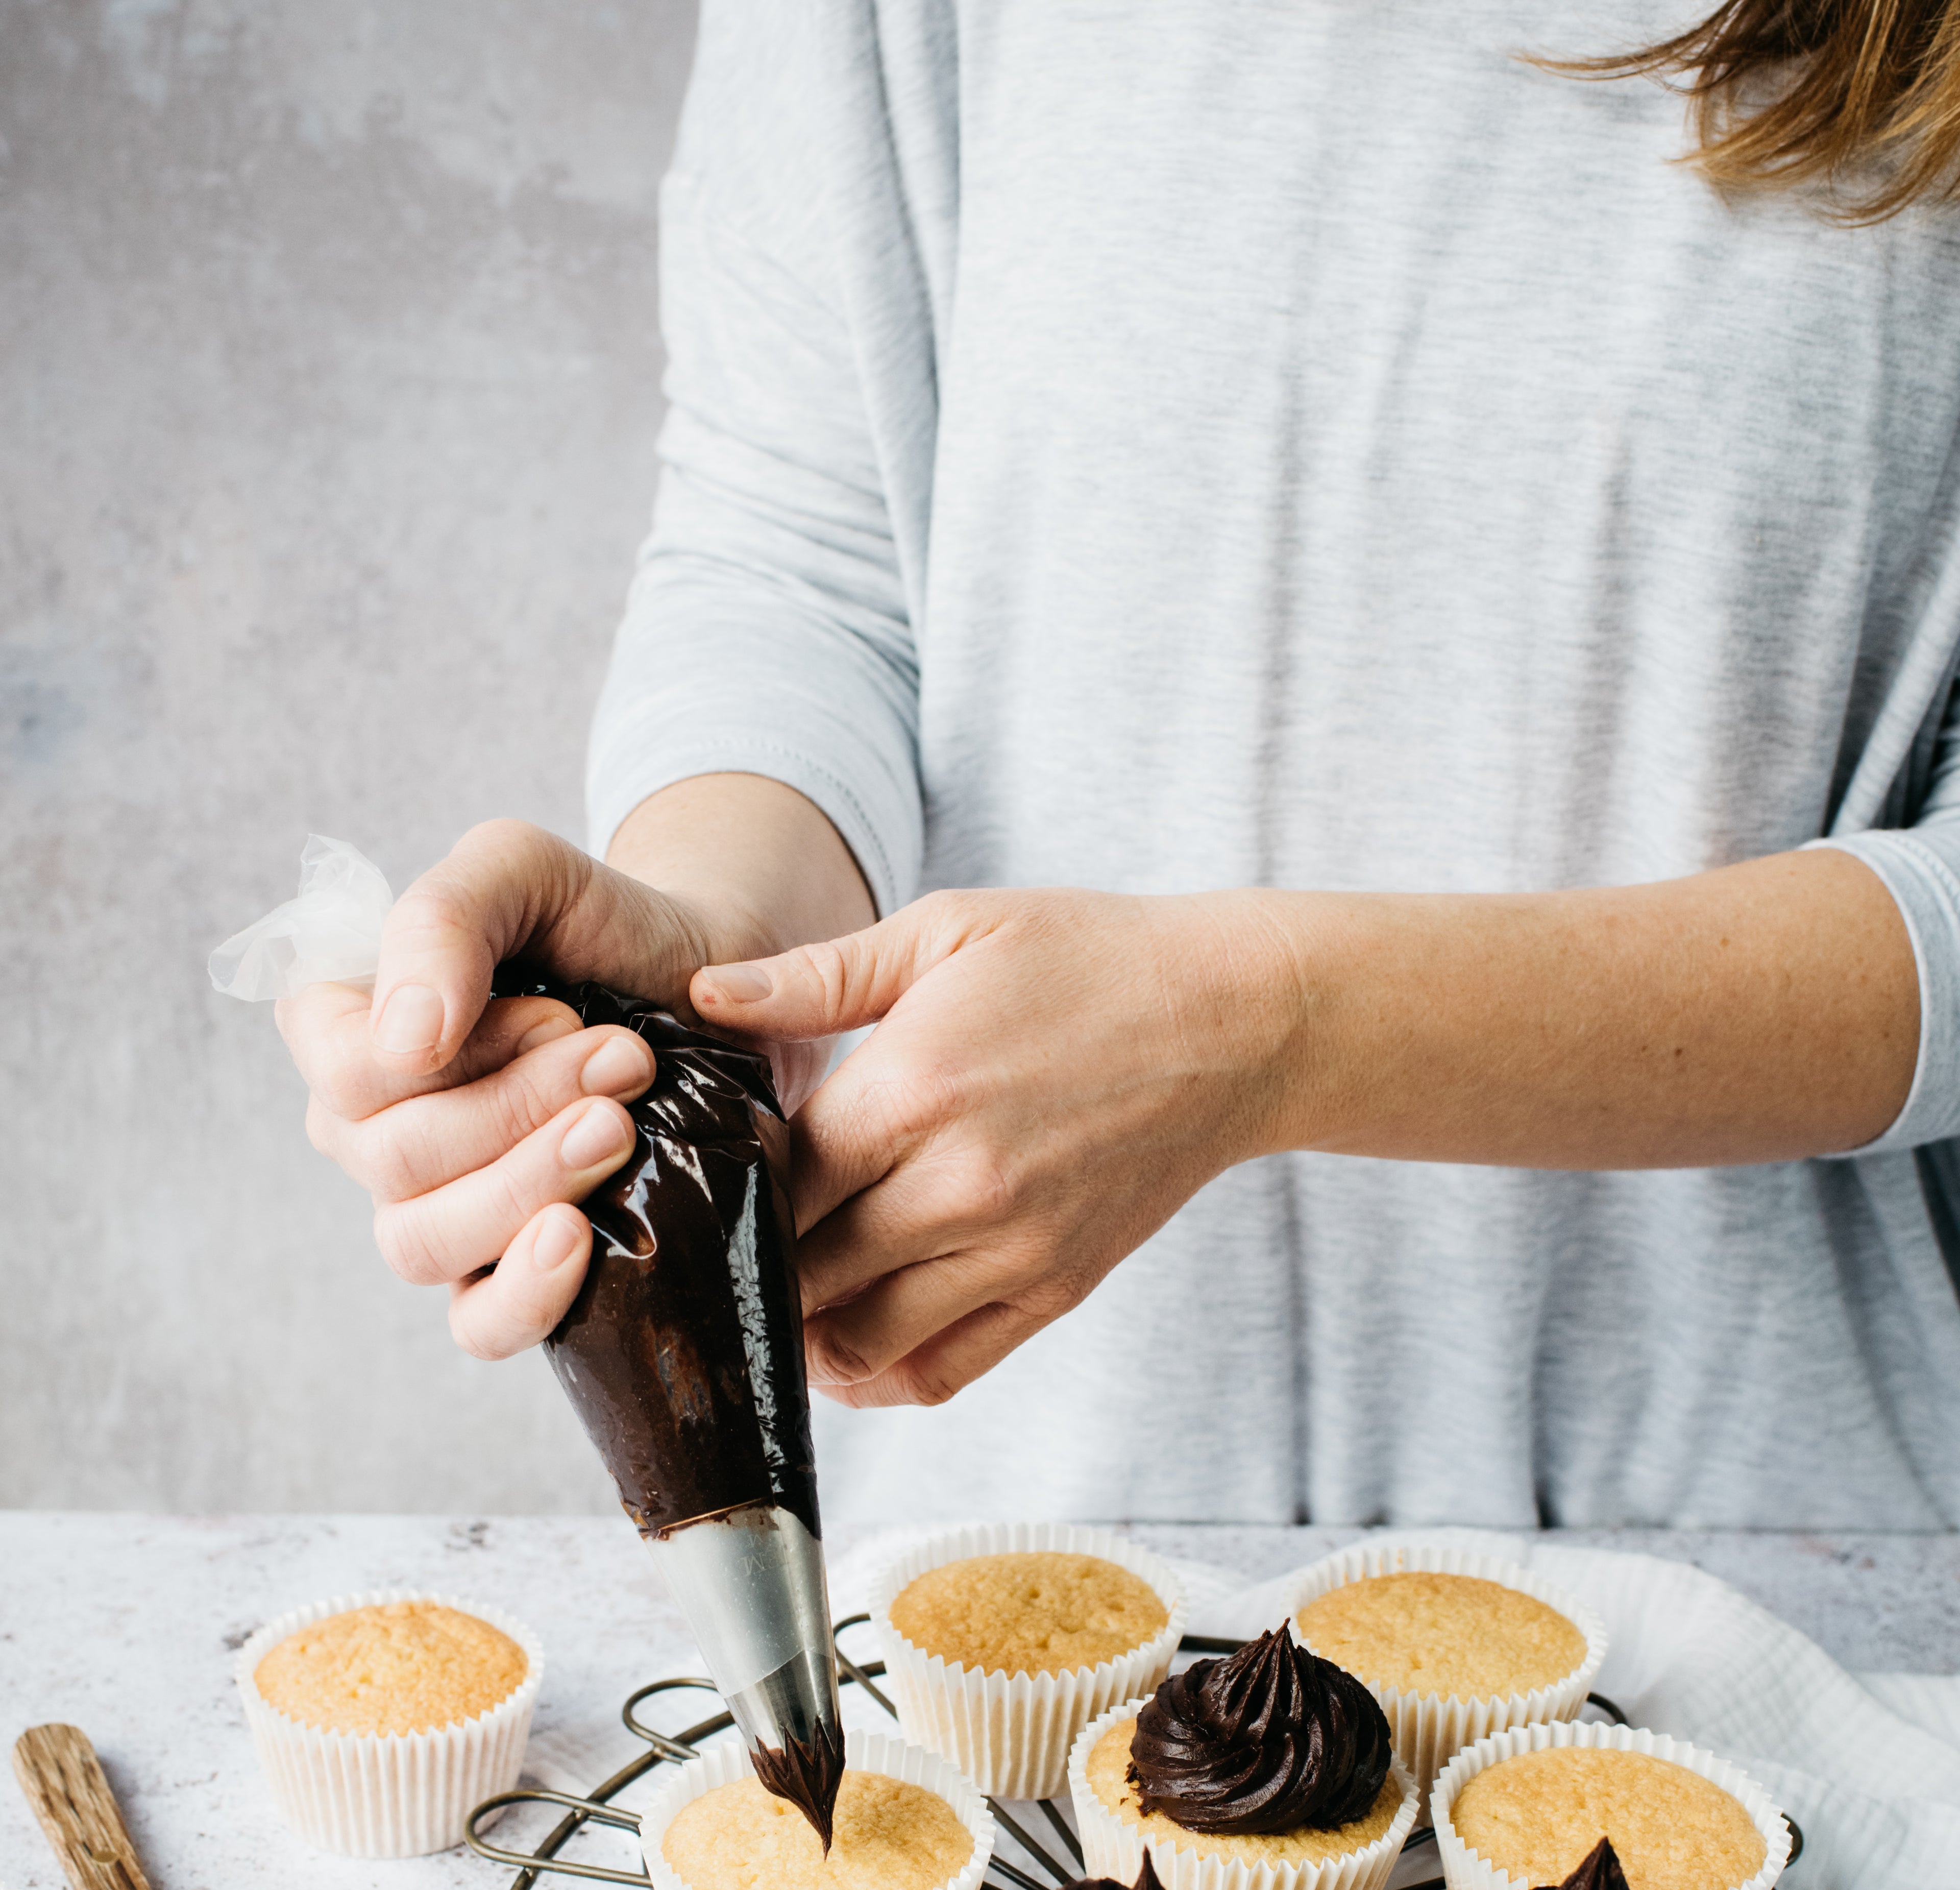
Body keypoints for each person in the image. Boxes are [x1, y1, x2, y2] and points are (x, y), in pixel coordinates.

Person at [279, 1, 1960, 1531]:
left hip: (1800, 1584)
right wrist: (713, 966)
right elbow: (810, 562)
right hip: (1007, 1576)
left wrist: (1272, 1027)